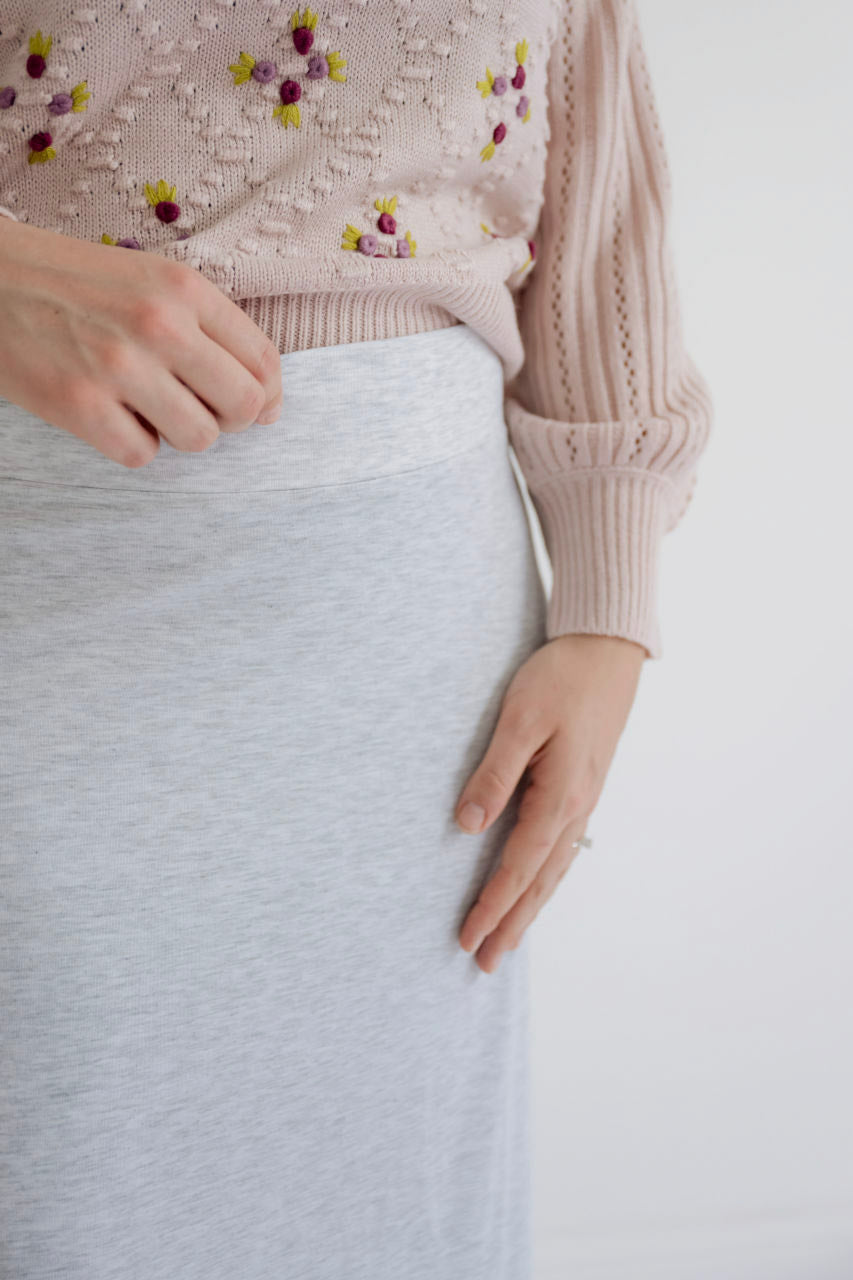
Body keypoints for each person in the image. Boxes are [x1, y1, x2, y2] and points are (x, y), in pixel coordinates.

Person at [0, 2, 713, 1277]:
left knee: (387, 1210)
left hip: (416, 668)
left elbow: (598, 189)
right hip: (43, 605)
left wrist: (609, 605)